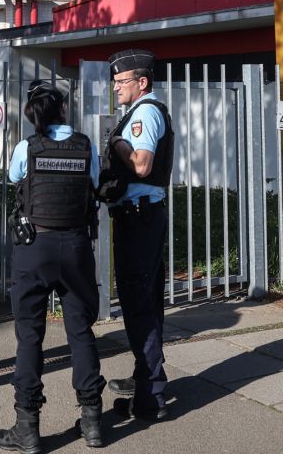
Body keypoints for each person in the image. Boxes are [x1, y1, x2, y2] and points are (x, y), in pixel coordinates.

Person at [0, 80, 106, 453]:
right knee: (81, 333)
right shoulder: (85, 145)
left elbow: (14, 178)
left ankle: (27, 428)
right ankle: (93, 423)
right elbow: (95, 184)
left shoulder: (28, 147)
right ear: (62, 108)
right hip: (75, 247)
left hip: (34, 247)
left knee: (29, 336)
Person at [99, 49, 175, 422]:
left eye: (121, 81)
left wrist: (116, 145)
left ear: (141, 82)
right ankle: (147, 379)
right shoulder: (140, 111)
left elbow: (141, 165)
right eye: (114, 82)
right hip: (143, 215)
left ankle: (150, 397)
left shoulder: (145, 112)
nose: (116, 88)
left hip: (139, 216)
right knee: (146, 300)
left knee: (137, 303)